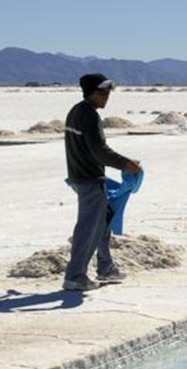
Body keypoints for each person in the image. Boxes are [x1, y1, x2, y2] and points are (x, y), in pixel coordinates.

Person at [62, 73, 141, 292]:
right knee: (89, 228)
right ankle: (75, 276)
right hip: (89, 179)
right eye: (102, 92)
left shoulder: (76, 111)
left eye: (108, 92)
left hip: (81, 176)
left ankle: (106, 267)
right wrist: (126, 164)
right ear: (91, 92)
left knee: (103, 221)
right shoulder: (88, 115)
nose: (106, 97)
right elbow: (99, 151)